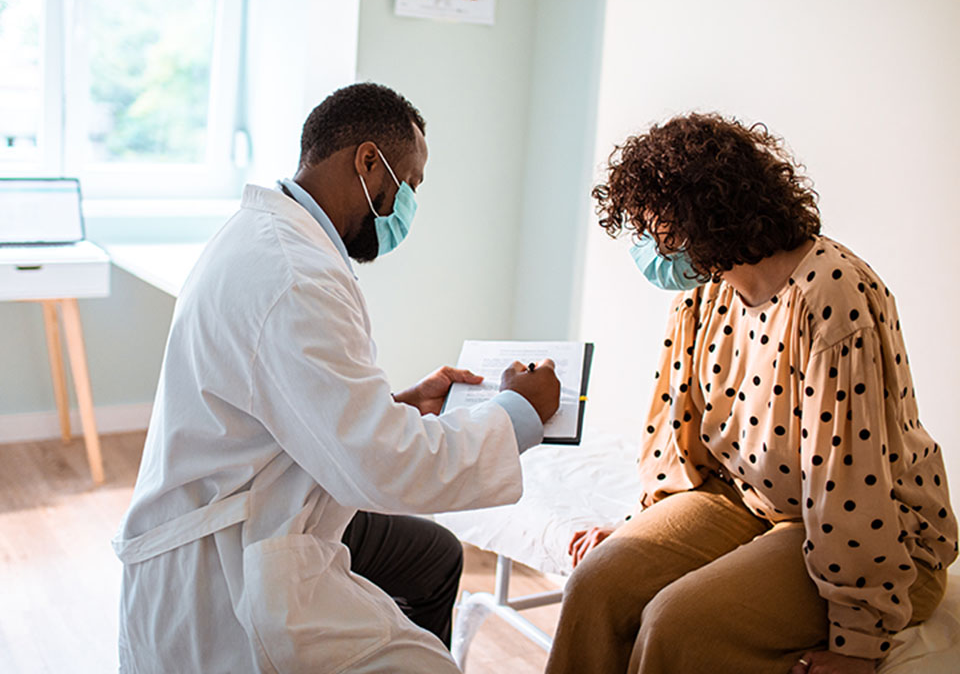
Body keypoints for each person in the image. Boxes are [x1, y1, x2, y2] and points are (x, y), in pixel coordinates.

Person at [113, 83, 561, 673]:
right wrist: (518, 413)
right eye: (411, 186)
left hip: (271, 496)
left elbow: (288, 399)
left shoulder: (271, 235)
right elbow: (384, 466)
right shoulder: (296, 276)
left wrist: (399, 402)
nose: (409, 210)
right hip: (232, 555)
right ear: (369, 162)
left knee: (432, 558)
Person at [545, 114, 957, 674]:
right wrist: (642, 527)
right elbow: (677, 437)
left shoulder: (832, 298)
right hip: (744, 502)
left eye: (652, 225)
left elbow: (849, 480)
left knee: (678, 621)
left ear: (706, 215)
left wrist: (857, 644)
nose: (645, 243)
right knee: (596, 585)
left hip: (871, 533)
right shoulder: (702, 293)